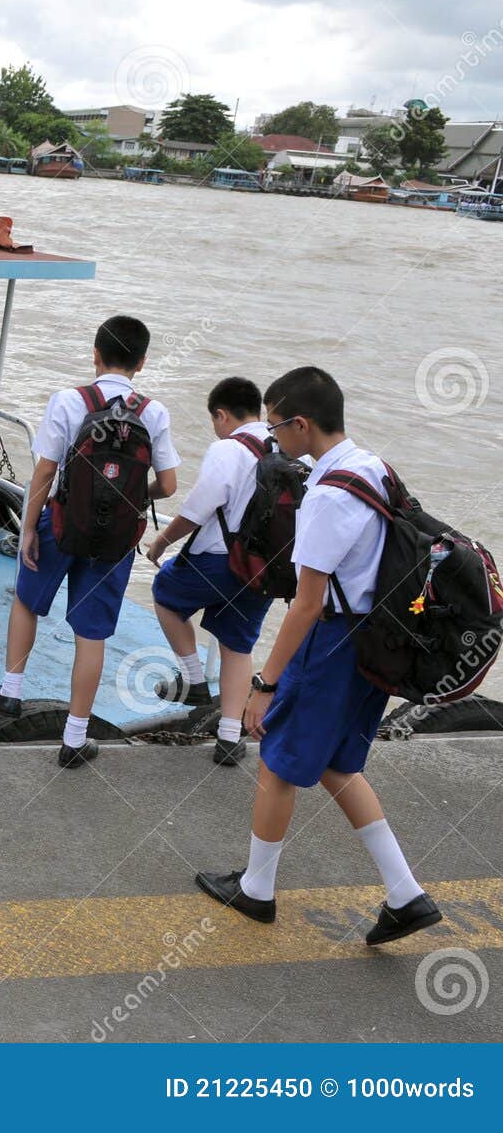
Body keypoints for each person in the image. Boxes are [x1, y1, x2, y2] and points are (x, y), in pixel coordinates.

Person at [196, 366, 442, 944]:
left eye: (277, 426)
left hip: (330, 644)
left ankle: (256, 890)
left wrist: (265, 683)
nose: (273, 438)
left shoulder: (328, 497)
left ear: (301, 424)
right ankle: (406, 894)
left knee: (278, 761)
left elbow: (306, 605)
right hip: (376, 639)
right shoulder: (372, 466)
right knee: (337, 765)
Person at [0, 315, 180, 768]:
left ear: (94, 354)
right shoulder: (155, 412)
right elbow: (167, 485)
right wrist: (128, 496)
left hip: (63, 522)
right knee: (91, 634)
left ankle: (11, 692)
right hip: (116, 540)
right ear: (141, 362)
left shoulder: (70, 401)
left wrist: (29, 527)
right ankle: (74, 738)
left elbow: (46, 473)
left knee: (27, 602)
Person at [143, 377, 276, 766]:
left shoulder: (228, 448)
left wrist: (162, 541)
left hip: (219, 560)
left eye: (214, 420)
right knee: (238, 645)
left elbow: (200, 506)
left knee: (165, 594)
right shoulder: (288, 451)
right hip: (266, 568)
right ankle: (230, 738)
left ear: (222, 414)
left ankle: (195, 680)